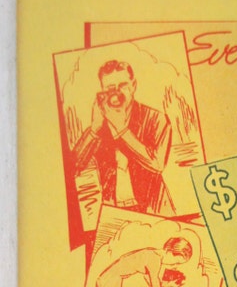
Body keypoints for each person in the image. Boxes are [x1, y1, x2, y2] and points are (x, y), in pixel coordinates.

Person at [72, 59, 174, 215]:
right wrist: (93, 129)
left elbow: (157, 164)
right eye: (110, 88)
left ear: (133, 86)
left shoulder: (156, 118)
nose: (116, 93)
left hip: (154, 209)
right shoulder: (100, 124)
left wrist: (121, 129)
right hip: (114, 210)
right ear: (102, 91)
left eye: (122, 86)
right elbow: (73, 167)